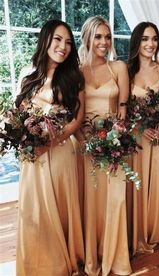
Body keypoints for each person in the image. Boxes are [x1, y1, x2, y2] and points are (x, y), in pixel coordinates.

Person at [15, 19, 85, 275]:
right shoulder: (27, 74)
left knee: (58, 207)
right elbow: (19, 114)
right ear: (45, 39)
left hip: (60, 152)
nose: (63, 46)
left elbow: (77, 120)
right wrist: (26, 139)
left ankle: (59, 263)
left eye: (68, 42)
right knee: (34, 210)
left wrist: (51, 142)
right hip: (32, 155)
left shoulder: (73, 78)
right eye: (58, 39)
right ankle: (35, 263)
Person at [78, 16, 131, 275]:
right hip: (85, 146)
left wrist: (114, 139)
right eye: (98, 36)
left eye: (108, 37)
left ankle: (116, 255)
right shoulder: (76, 71)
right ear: (87, 38)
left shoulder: (118, 67)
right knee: (91, 202)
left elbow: (123, 109)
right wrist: (87, 141)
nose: (104, 42)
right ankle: (92, 252)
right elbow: (73, 113)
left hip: (113, 144)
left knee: (116, 198)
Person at [127, 22, 159, 255]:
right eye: (145, 39)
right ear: (137, 41)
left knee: (156, 182)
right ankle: (135, 230)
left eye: (154, 39)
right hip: (137, 137)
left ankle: (154, 229)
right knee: (138, 183)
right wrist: (139, 126)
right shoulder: (126, 71)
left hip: (158, 135)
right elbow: (121, 107)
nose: (150, 44)